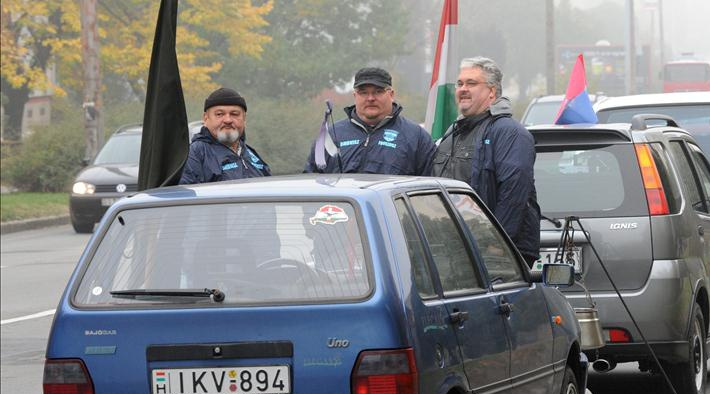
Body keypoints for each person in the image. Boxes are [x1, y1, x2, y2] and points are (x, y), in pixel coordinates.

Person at [431, 57, 540, 265]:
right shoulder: (452, 135)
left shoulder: (509, 133)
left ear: (492, 91)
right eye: (460, 83)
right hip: (456, 251)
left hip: (496, 256)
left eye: (471, 83)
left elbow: (514, 195)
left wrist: (497, 246)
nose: (463, 89)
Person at [303, 67, 434, 175]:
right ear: (355, 96)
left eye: (378, 91)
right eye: (363, 92)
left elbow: (431, 190)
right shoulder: (331, 136)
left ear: (391, 95)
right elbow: (310, 184)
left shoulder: (416, 137)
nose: (370, 98)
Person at [180, 87, 271, 184]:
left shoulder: (252, 154)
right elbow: (183, 196)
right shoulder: (194, 154)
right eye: (219, 114)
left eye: (234, 114)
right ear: (206, 118)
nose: (228, 120)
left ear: (244, 119)